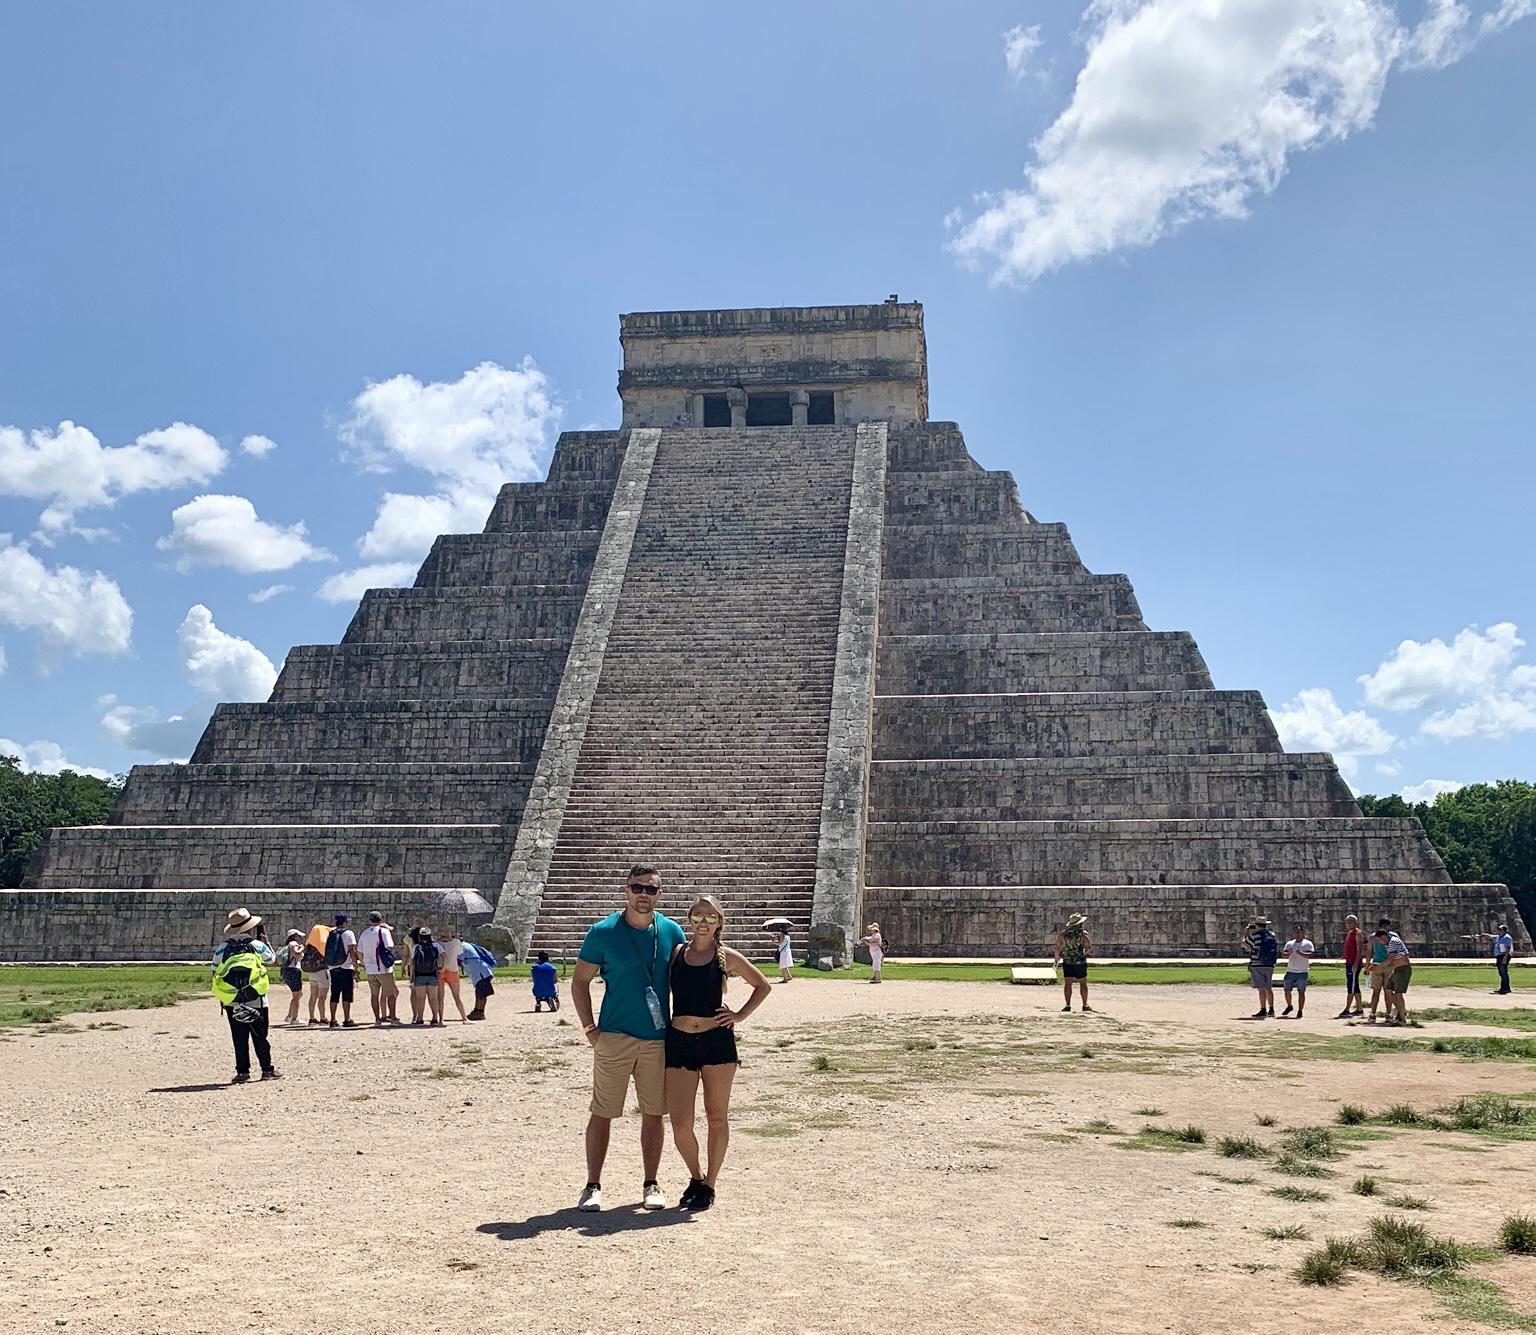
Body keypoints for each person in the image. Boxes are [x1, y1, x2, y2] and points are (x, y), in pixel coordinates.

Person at [571, 864, 686, 1213]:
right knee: (602, 1112)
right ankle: (592, 1185)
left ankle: (651, 1182)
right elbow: (579, 981)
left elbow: (688, 975)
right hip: (614, 1036)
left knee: (654, 1113)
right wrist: (591, 1029)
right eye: (637, 888)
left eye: (651, 890)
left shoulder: (671, 931)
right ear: (625, 891)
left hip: (657, 1038)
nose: (643, 895)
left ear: (659, 894)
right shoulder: (603, 932)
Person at [665, 895, 771, 1212]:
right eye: (698, 916)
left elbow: (763, 985)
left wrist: (738, 1015)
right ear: (689, 919)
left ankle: (710, 1184)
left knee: (717, 1118)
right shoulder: (676, 953)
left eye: (710, 918)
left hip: (717, 1043)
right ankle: (696, 1177)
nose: (703, 922)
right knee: (681, 1123)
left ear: (719, 923)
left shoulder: (727, 956)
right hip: (679, 1041)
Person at [212, 909, 279, 1083]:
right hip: (256, 997)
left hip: (232, 998)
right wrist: (266, 941)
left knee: (239, 1036)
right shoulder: (256, 945)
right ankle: (267, 1070)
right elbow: (272, 960)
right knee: (260, 1035)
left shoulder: (222, 948)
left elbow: (214, 971)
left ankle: (242, 1072)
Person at [357, 911, 399, 1025]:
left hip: (370, 969)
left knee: (374, 995)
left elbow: (359, 951)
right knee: (391, 993)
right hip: (382, 967)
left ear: (370, 921)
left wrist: (364, 963)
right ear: (381, 921)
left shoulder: (364, 933)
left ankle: (377, 1019)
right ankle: (393, 1018)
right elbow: (389, 946)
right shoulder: (383, 931)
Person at [325, 912, 361, 1028]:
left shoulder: (331, 933)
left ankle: (333, 1019)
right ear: (344, 922)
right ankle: (347, 1018)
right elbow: (352, 951)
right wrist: (356, 966)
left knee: (334, 994)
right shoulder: (348, 933)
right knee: (347, 994)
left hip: (333, 967)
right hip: (346, 967)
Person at [1053, 912, 1093, 1013]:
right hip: (1079, 961)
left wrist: (1057, 956)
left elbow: (1057, 946)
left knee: (1068, 983)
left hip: (1067, 961)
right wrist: (1083, 953)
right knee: (1083, 983)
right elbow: (1088, 947)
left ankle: (1067, 1004)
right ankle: (1085, 1004)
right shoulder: (1083, 934)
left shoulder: (1063, 934)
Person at [1243, 917, 1277, 1018]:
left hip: (1257, 964)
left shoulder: (1254, 935)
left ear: (1257, 925)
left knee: (1261, 989)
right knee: (1268, 987)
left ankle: (1263, 1009)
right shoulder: (1272, 935)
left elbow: (1244, 945)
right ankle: (1271, 1009)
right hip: (1269, 964)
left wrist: (1246, 932)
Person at [1278, 924, 1314, 1018]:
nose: (1297, 934)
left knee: (1301, 991)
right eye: (1295, 932)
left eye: (1299, 932)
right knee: (1286, 990)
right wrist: (1288, 954)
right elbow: (1284, 955)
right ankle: (1289, 1006)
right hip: (1290, 970)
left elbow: (1310, 955)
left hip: (1302, 971)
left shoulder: (1307, 944)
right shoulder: (1289, 943)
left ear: (1302, 933)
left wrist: (1301, 953)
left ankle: (1300, 1010)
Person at [409, 929, 444, 1026]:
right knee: (433, 998)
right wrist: (442, 968)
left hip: (419, 975)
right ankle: (434, 1018)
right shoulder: (435, 945)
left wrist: (411, 977)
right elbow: (444, 955)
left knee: (420, 998)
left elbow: (411, 963)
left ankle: (420, 1018)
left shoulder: (416, 947)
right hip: (432, 973)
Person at [1378, 928, 1412, 1026]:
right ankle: (1401, 1011)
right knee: (1388, 990)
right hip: (1397, 969)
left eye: (1380, 940)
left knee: (1398, 993)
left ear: (1383, 937)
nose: (1380, 942)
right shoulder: (1388, 944)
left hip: (1403, 969)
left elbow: (1390, 960)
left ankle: (1401, 1017)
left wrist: (1378, 967)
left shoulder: (1393, 942)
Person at [301, 924, 331, 1026]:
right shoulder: (322, 943)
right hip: (321, 971)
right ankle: (323, 1018)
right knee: (322, 997)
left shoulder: (309, 944)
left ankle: (312, 1018)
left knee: (313, 996)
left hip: (311, 972)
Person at [437, 925, 469, 1023]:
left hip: (440, 969)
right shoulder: (456, 942)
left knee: (440, 997)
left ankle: (441, 1019)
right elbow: (460, 952)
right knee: (456, 996)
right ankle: (464, 1018)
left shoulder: (436, 943)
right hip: (453, 969)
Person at [1365, 917, 1393, 1023]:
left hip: (1376, 965)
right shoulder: (1393, 936)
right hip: (1389, 965)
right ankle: (1388, 1014)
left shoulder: (1372, 937)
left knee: (1376, 992)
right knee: (1388, 991)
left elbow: (1369, 952)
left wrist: (1367, 966)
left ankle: (1372, 1014)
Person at [1337, 914, 1366, 1018]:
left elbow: (1359, 951)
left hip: (1354, 964)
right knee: (1355, 986)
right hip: (1349, 962)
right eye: (1347, 922)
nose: (1348, 924)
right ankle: (1359, 1009)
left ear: (1355, 923)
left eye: (1350, 922)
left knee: (1351, 986)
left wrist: (1355, 964)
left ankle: (1347, 1008)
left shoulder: (1358, 934)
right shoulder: (1350, 933)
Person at [1475, 924, 1516, 995]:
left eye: (1500, 930)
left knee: (1503, 972)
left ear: (1504, 931)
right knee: (1501, 972)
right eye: (1498, 929)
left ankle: (1505, 989)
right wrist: (1483, 935)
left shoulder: (1507, 937)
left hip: (1504, 955)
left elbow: (1508, 948)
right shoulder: (1499, 937)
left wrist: (1505, 958)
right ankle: (1504, 988)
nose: (1498, 931)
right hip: (1499, 956)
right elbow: (1490, 936)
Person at [463, 940, 497, 1021]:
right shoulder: (466, 945)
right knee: (479, 992)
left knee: (481, 993)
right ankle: (477, 1010)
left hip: (481, 972)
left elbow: (459, 960)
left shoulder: (462, 947)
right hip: (481, 972)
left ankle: (480, 1012)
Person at [279, 928, 305, 1025]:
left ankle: (289, 1016)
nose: (300, 938)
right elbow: (297, 952)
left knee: (298, 994)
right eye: (299, 936)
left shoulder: (288, 944)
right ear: (294, 936)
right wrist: (302, 947)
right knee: (296, 996)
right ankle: (295, 1018)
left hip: (287, 970)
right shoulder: (294, 943)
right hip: (293, 970)